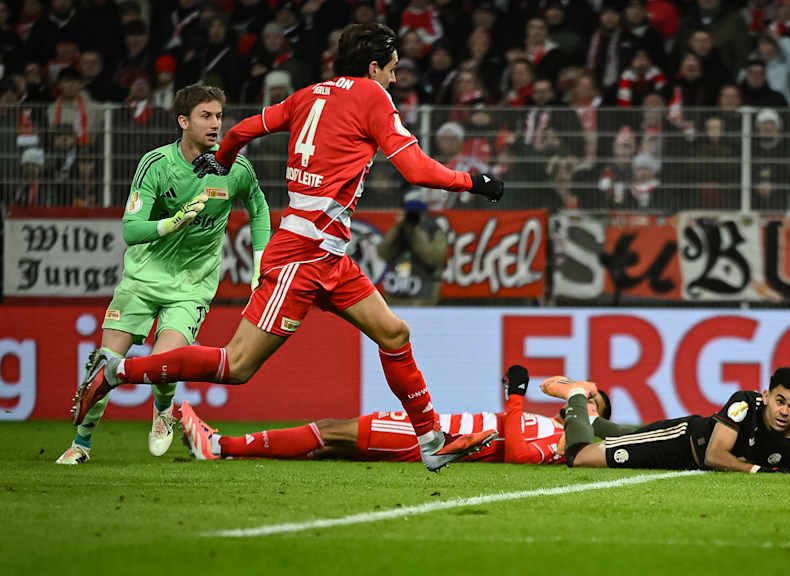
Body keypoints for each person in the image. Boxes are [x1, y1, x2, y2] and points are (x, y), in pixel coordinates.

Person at [72, 23, 505, 473]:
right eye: (392, 70)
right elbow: (415, 169)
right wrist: (473, 181)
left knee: (394, 334)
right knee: (236, 365)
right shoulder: (373, 96)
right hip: (302, 254)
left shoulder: (309, 94)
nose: (394, 80)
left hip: (328, 256)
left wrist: (219, 160)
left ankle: (431, 440)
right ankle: (115, 372)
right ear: (374, 67)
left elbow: (243, 129)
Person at [57, 85, 272, 465]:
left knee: (162, 364)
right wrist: (171, 223)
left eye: (219, 116)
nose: (216, 124)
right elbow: (131, 229)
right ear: (183, 121)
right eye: (206, 116)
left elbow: (259, 209)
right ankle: (81, 444)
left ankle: (162, 409)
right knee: (103, 362)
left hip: (191, 287)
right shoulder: (157, 164)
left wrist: (260, 265)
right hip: (142, 281)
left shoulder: (235, 167)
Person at [179, 365, 611, 464]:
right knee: (328, 444)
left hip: (433, 436)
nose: (586, 401)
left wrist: (515, 398)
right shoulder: (554, 423)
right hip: (437, 432)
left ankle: (219, 447)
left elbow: (516, 452)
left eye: (595, 404)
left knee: (330, 431)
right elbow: (551, 389)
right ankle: (225, 446)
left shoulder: (562, 440)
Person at [559, 367, 790, 473]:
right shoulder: (745, 403)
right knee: (579, 457)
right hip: (679, 442)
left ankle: (592, 419)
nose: (785, 412)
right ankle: (577, 395)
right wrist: (756, 470)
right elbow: (714, 456)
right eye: (780, 401)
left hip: (689, 464)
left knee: (626, 436)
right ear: (767, 396)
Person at [376, 192, 449, 305]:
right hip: (396, 291)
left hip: (424, 293)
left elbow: (434, 258)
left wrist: (417, 232)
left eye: (416, 214)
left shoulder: (433, 231)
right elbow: (383, 253)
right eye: (409, 214)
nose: (412, 218)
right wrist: (397, 227)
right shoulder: (399, 230)